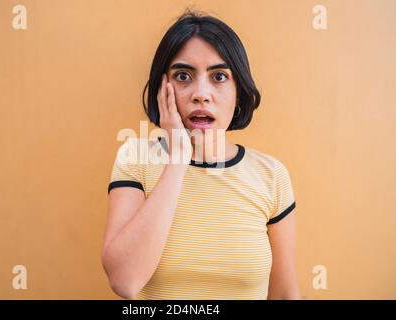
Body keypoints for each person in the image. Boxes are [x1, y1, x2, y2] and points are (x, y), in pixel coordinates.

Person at [102, 8, 300, 300]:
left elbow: (284, 293)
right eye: (183, 76)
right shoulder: (135, 159)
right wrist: (179, 158)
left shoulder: (271, 176)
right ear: (162, 88)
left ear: (238, 92)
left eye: (219, 76)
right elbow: (125, 281)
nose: (201, 94)